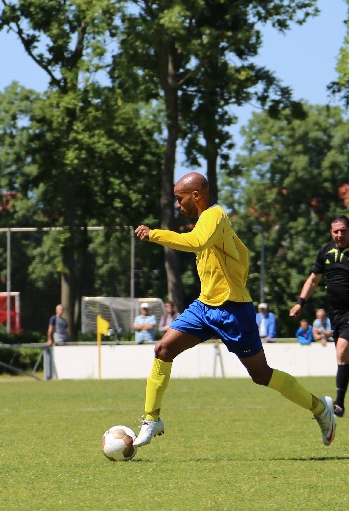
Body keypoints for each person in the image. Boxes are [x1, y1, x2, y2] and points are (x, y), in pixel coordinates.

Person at [132, 172, 337, 449]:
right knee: (163, 349)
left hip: (233, 310)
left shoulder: (214, 215)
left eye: (180, 199)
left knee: (261, 375)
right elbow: (235, 252)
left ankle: (320, 408)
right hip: (204, 307)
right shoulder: (205, 221)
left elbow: (196, 242)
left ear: (196, 196)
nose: (178, 205)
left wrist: (154, 234)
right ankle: (151, 419)